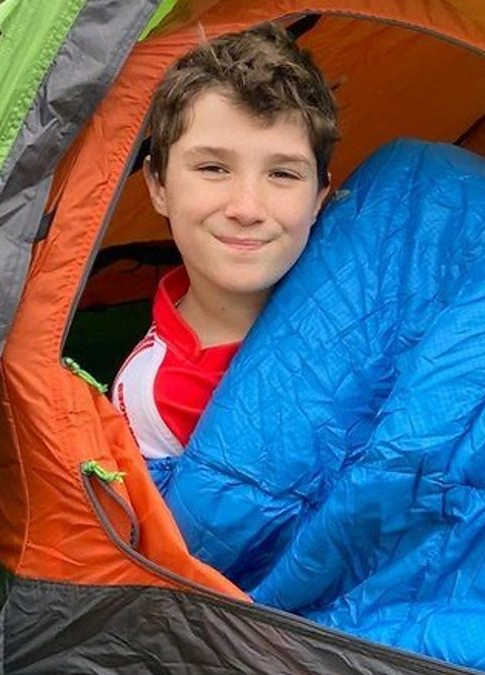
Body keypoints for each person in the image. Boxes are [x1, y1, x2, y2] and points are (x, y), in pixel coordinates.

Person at [111, 24, 339, 460]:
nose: (246, 208)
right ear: (158, 185)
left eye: (283, 174)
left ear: (318, 198)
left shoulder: (360, 292)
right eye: (213, 168)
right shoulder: (155, 399)